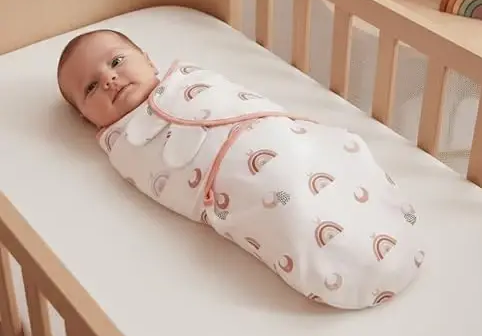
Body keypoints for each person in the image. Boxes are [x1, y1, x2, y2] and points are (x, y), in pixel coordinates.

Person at [57, 28, 425, 310]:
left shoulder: (189, 79)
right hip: (238, 184)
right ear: (88, 119)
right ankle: (349, 264)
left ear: (149, 60)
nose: (109, 79)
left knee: (332, 155)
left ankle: (383, 221)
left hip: (281, 138)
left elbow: (241, 99)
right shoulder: (124, 146)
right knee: (287, 208)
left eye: (116, 61)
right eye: (90, 88)